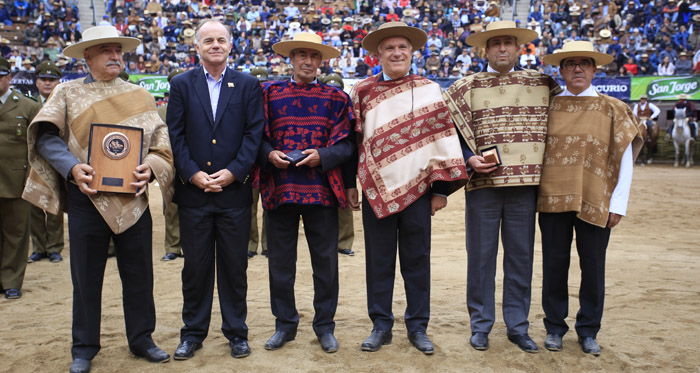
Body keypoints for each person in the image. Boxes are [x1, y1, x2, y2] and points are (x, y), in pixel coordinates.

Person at [21, 26, 174, 373]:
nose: (115, 56)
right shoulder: (66, 92)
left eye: (118, 51)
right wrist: (73, 167)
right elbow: (46, 138)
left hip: (133, 201)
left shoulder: (141, 96)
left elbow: (161, 145)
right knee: (85, 278)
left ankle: (142, 339)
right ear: (87, 56)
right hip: (85, 199)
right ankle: (84, 347)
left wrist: (149, 168)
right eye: (106, 50)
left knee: (139, 275)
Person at [349, 22, 468, 355]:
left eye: (402, 47)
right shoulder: (363, 91)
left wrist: (441, 190)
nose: (396, 53)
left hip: (420, 192)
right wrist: (351, 185)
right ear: (378, 55)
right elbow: (353, 141)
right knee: (379, 260)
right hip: (377, 192)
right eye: (389, 48)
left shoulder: (430, 89)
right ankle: (381, 326)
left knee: (417, 261)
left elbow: (443, 139)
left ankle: (417, 326)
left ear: (412, 52)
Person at [442, 20, 561, 353]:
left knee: (521, 258)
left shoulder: (542, 84)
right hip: (484, 186)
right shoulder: (465, 87)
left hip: (525, 187)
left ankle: (518, 326)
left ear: (519, 48)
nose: (503, 49)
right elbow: (448, 132)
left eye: (509, 43)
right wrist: (468, 158)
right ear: (487, 50)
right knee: (480, 258)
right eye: (496, 44)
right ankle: (481, 325)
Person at [538, 40, 644, 355]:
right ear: (561, 70)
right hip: (553, 200)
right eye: (571, 64)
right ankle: (555, 327)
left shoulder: (613, 108)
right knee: (554, 265)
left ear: (595, 69)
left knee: (593, 266)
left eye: (585, 63)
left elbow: (625, 159)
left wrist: (618, 204)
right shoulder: (549, 105)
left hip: (597, 200)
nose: (578, 68)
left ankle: (588, 330)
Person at [167, 19, 264, 360]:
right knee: (195, 267)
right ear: (197, 47)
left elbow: (254, 135)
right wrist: (192, 173)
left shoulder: (249, 84)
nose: (215, 45)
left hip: (234, 194)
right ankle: (192, 333)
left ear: (230, 45)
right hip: (194, 195)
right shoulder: (180, 84)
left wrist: (235, 172)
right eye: (208, 40)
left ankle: (236, 333)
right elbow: (174, 135)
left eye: (221, 39)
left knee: (234, 266)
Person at [259, 32, 354, 353]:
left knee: (325, 265)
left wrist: (323, 156)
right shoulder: (268, 94)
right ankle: (284, 324)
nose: (308, 62)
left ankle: (324, 326)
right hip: (280, 189)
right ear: (292, 59)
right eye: (302, 55)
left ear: (321, 62)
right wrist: (269, 153)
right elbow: (253, 136)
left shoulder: (337, 98)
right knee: (280, 265)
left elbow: (347, 145)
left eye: (314, 57)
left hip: (321, 192)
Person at [0, 56, 41, 299]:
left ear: (8, 77)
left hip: (17, 180)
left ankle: (12, 280)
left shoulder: (27, 106)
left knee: (15, 234)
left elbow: (36, 147)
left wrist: (31, 179)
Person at [27, 61, 64, 264]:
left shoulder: (64, 104)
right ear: (37, 82)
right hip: (32, 162)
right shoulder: (29, 104)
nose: (48, 83)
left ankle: (54, 247)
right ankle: (39, 247)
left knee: (55, 205)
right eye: (44, 80)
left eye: (52, 80)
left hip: (57, 162)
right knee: (34, 204)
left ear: (59, 82)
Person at [322, 72, 355, 257]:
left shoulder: (346, 107)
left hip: (341, 160)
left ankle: (344, 242)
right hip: (321, 160)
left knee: (344, 205)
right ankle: (327, 240)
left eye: (337, 89)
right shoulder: (318, 104)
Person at [157, 68, 185, 261]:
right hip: (169, 161)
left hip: (191, 161)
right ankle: (173, 246)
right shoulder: (160, 111)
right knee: (171, 204)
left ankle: (189, 245)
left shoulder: (197, 106)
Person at [247, 66, 268, 258]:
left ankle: (268, 245)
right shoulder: (246, 103)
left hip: (268, 163)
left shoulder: (272, 102)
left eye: (263, 83)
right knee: (249, 206)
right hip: (250, 164)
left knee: (269, 206)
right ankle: (250, 245)